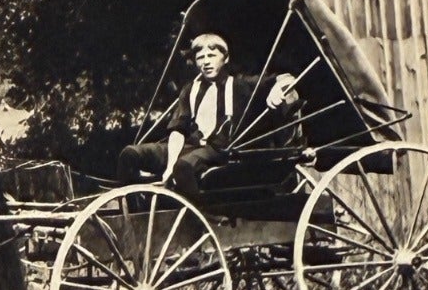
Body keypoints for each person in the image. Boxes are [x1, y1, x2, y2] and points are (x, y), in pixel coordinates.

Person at [121, 33, 299, 198]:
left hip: (220, 148)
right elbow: (178, 131)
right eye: (200, 58)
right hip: (190, 145)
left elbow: (286, 78)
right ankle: (136, 212)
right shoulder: (190, 89)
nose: (206, 62)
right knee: (130, 154)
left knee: (183, 166)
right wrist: (169, 166)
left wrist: (278, 89)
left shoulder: (241, 85)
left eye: (211, 56)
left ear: (225, 58)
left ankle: (198, 217)